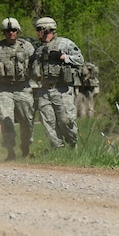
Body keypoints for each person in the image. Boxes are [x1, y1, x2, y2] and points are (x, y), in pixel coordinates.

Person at [0, 18, 35, 161]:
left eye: (13, 30)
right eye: (7, 31)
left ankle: (26, 148)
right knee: (6, 119)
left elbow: (36, 66)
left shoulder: (27, 47)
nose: (10, 33)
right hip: (4, 89)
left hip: (23, 88)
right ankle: (10, 151)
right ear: (3, 33)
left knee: (27, 122)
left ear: (18, 31)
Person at [32, 17, 83, 149]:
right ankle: (58, 150)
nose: (37, 33)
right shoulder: (38, 49)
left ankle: (73, 145)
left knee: (66, 120)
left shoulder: (65, 44)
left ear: (47, 29)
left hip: (62, 90)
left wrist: (63, 57)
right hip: (44, 90)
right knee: (48, 122)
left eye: (39, 30)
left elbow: (80, 60)